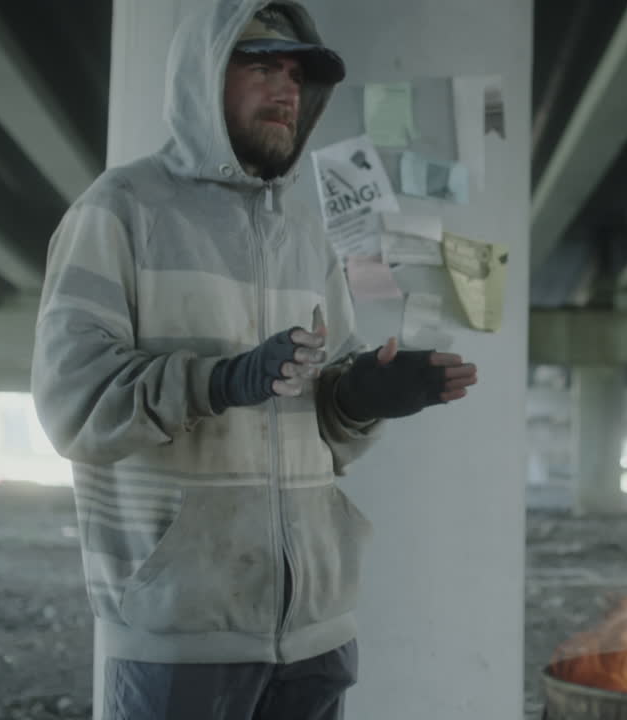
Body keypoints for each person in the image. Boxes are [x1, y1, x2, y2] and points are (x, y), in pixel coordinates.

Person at [30, 2, 477, 717]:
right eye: (263, 66)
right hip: (180, 632)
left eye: (297, 75)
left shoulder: (307, 231)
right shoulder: (119, 210)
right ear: (202, 78)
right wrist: (219, 381)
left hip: (316, 633)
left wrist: (361, 396)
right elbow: (72, 405)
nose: (286, 92)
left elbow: (325, 425)